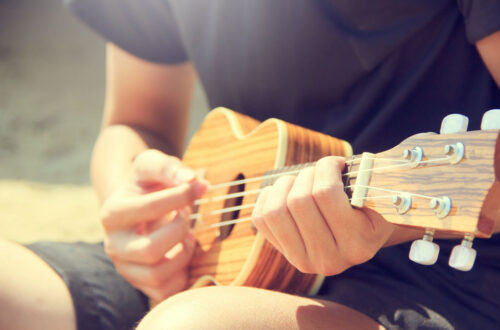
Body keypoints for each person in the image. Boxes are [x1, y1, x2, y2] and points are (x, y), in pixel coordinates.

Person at [1, 0, 500, 329]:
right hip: (213, 254)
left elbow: (479, 174)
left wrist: (385, 219)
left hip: (441, 282)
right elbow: (135, 120)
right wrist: (133, 209)